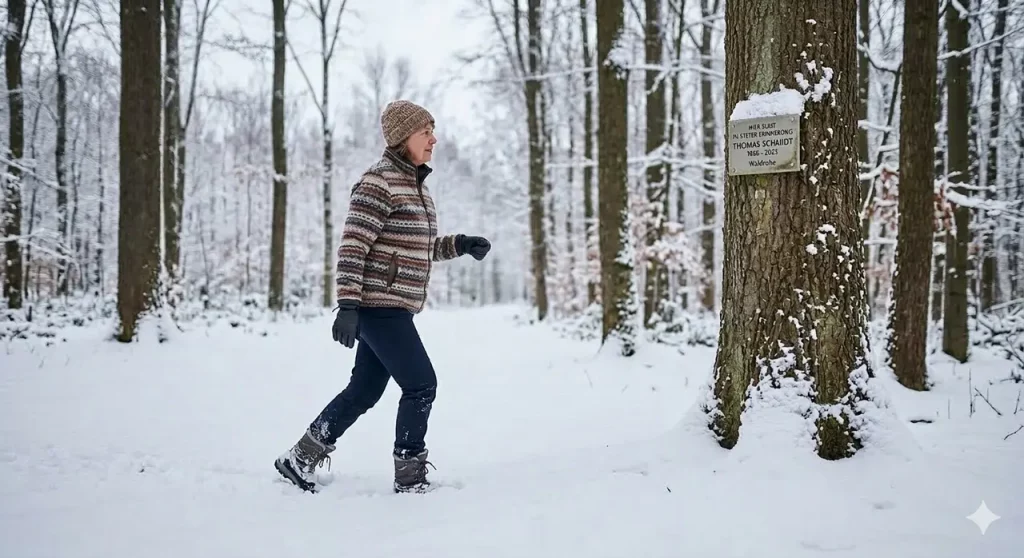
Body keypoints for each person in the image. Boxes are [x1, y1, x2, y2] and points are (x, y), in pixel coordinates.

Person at [274, 100, 491, 494]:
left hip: (392, 308)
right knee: (421, 384)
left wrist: (459, 244)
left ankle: (299, 457)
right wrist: (348, 306)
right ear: (402, 137)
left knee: (364, 391)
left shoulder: (415, 187)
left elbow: (415, 247)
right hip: (379, 309)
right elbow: (353, 246)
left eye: (432, 131)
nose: (434, 139)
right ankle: (409, 473)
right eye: (426, 132)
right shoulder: (378, 183)